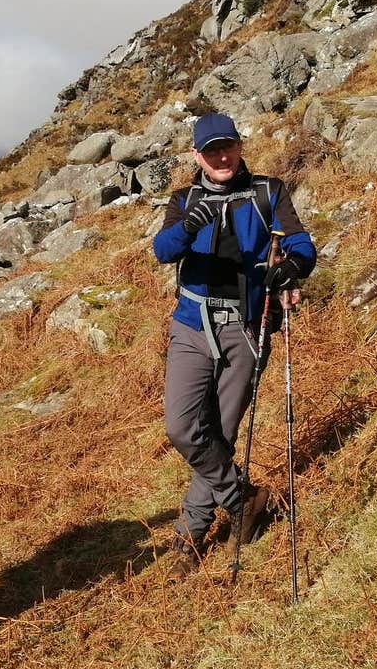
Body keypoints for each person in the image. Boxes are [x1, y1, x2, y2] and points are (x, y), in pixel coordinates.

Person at [152, 113, 316, 580]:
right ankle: (244, 499)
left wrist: (292, 269)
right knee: (183, 428)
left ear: (240, 146)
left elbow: (301, 243)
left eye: (228, 147)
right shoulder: (184, 199)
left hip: (247, 327)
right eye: (211, 150)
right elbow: (162, 250)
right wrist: (188, 227)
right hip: (191, 325)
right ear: (196, 156)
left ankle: (189, 537)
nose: (221, 157)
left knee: (219, 434)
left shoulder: (269, 192)